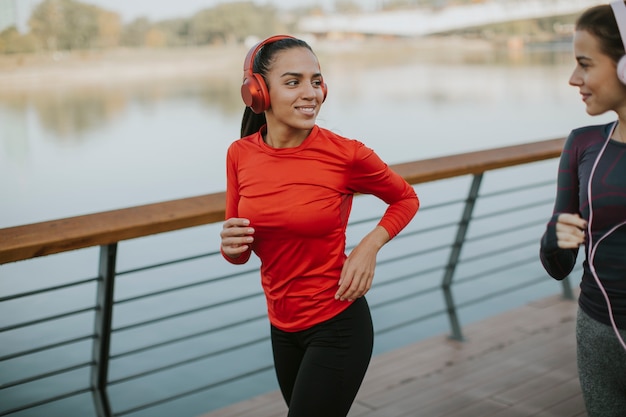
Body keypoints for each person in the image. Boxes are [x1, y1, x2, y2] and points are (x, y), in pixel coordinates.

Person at [219, 35, 419, 417]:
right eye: (293, 82)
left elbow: (405, 198)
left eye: (316, 80)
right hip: (281, 327)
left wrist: (368, 247)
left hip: (338, 324)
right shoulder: (239, 153)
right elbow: (239, 250)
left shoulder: (347, 154)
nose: (310, 93)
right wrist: (230, 246)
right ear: (257, 92)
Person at [539, 2, 626, 416]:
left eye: (585, 64)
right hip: (597, 332)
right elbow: (557, 265)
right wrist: (557, 235)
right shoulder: (582, 143)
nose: (574, 78)